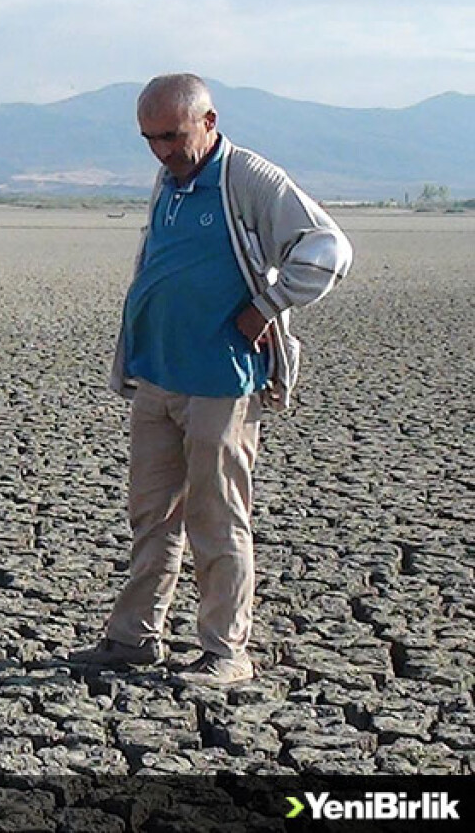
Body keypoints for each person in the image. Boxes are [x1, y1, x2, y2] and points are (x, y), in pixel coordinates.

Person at [71, 73, 352, 686]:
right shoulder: (170, 182)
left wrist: (268, 304)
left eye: (171, 135)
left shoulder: (247, 178)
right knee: (151, 514)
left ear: (209, 120)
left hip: (221, 383)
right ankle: (134, 639)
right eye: (149, 139)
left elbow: (327, 248)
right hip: (158, 378)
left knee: (217, 515)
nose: (161, 150)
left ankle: (226, 651)